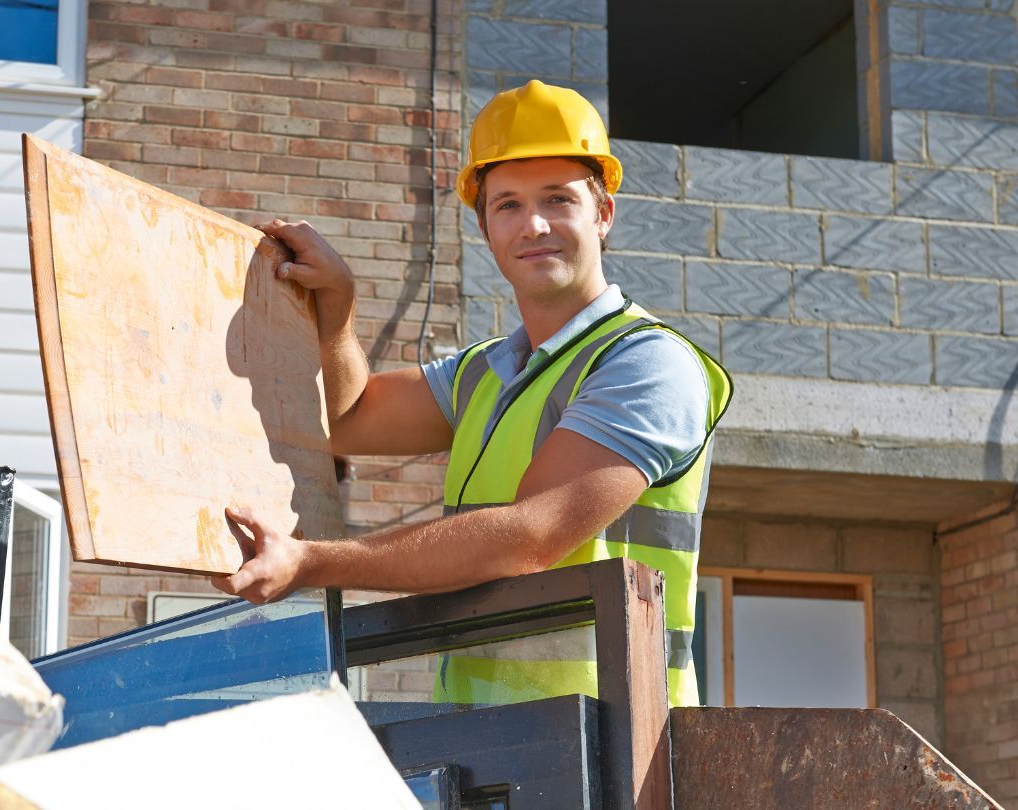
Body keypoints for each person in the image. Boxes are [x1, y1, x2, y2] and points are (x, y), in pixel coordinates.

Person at [212, 79, 732, 706]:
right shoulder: (486, 372)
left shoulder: (648, 362)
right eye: (507, 204)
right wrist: (339, 308)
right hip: (486, 738)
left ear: (603, 214)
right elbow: (348, 422)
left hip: (615, 740)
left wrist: (312, 561)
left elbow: (529, 537)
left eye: (558, 198)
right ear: (485, 227)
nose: (533, 224)